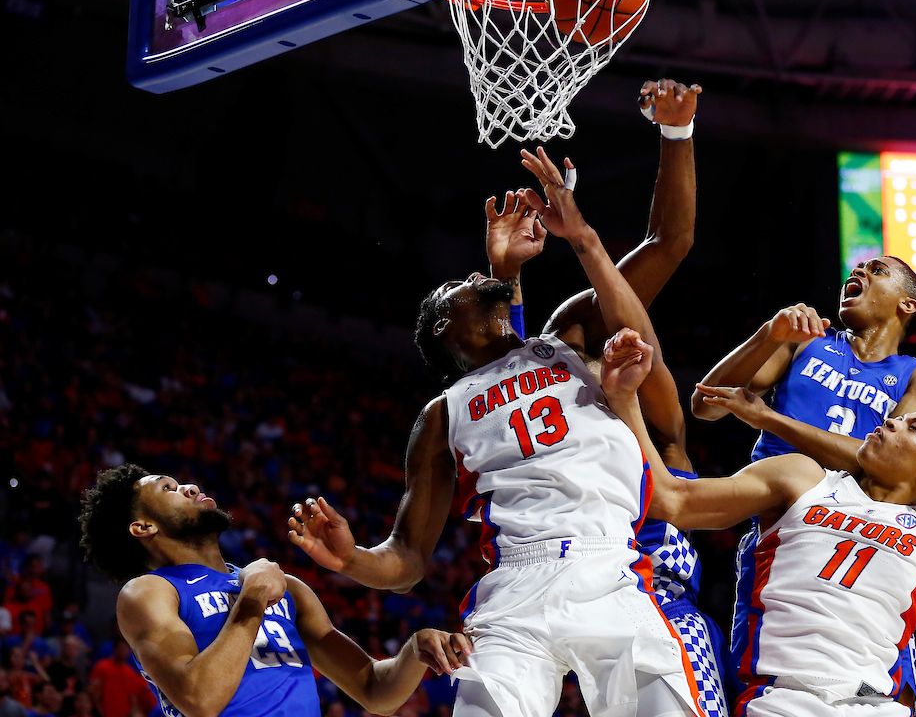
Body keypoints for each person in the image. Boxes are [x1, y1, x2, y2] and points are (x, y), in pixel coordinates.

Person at [287, 147, 706, 717]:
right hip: (514, 588)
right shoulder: (443, 414)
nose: (475, 275)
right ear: (443, 321)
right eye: (462, 281)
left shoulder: (569, 336)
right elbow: (408, 558)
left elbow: (669, 243)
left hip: (610, 565)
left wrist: (667, 140)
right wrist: (351, 558)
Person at [599, 305, 916, 717]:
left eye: (912, 429)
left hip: (878, 706)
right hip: (781, 701)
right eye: (896, 419)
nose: (892, 424)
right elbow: (672, 499)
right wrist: (624, 398)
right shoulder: (799, 477)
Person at [485, 80, 729, 717]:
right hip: (547, 590)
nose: (554, 360)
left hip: (654, 600)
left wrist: (676, 134)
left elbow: (668, 246)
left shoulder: (650, 404)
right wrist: (505, 274)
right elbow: (501, 381)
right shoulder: (541, 413)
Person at [692, 257, 916, 707]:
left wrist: (772, 420)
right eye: (858, 268)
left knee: (879, 694)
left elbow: (884, 464)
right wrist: (768, 335)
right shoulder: (804, 342)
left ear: (907, 304)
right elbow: (706, 406)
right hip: (788, 528)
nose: (859, 273)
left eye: (877, 270)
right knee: (765, 686)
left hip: (870, 534)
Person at [77, 464, 470, 717]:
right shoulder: (149, 592)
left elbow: (374, 689)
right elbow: (199, 698)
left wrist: (415, 650)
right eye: (169, 488)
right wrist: (252, 600)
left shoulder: (288, 591)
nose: (191, 487)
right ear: (144, 527)